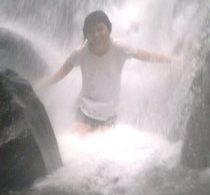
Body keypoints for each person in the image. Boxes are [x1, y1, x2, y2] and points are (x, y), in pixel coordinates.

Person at [38, 10, 176, 135]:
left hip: (109, 114)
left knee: (99, 144)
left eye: (100, 29)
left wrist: (175, 60)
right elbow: (58, 75)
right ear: (86, 34)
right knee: (78, 140)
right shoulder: (80, 53)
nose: (96, 34)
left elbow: (149, 55)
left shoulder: (120, 48)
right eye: (91, 31)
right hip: (84, 110)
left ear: (108, 28)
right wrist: (36, 88)